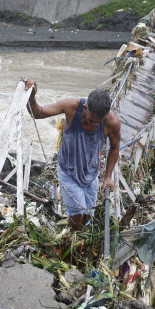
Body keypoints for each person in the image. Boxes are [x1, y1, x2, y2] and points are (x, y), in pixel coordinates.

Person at [24, 80, 121, 231]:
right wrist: (31, 97)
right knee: (76, 216)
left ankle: (79, 239)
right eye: (91, 120)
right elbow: (38, 113)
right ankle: (72, 240)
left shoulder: (112, 122)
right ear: (85, 108)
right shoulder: (71, 107)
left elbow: (115, 148)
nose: (94, 125)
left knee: (89, 214)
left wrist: (108, 177)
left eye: (98, 123)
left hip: (91, 172)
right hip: (68, 171)